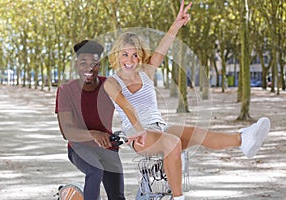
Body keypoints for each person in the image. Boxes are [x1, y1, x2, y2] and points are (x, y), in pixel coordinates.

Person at [104, 1, 270, 199]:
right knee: (173, 143)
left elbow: (163, 47)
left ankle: (243, 140)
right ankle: (178, 197)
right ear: (117, 55)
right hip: (137, 133)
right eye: (125, 54)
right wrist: (140, 128)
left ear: (140, 57)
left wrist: (177, 23)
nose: (130, 60)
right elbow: (125, 104)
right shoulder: (111, 82)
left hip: (160, 127)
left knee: (195, 133)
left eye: (135, 55)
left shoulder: (146, 72)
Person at [55, 40, 125, 200]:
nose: (89, 68)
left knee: (117, 196)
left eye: (94, 63)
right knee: (95, 169)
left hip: (108, 147)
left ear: (99, 65)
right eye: (83, 63)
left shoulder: (109, 85)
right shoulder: (65, 91)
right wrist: (94, 134)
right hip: (79, 147)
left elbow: (129, 107)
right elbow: (67, 132)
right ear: (76, 64)